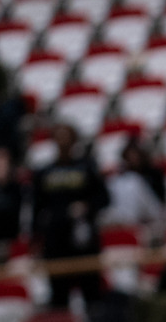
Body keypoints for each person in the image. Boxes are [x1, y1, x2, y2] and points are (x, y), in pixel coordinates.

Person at [30, 123, 110, 308]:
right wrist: (35, 239)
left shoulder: (87, 167)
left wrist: (87, 206)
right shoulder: (44, 172)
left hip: (84, 239)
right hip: (55, 241)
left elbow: (104, 198)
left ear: (74, 141)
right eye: (59, 137)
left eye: (67, 137)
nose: (63, 142)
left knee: (92, 295)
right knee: (59, 298)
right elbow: (36, 208)